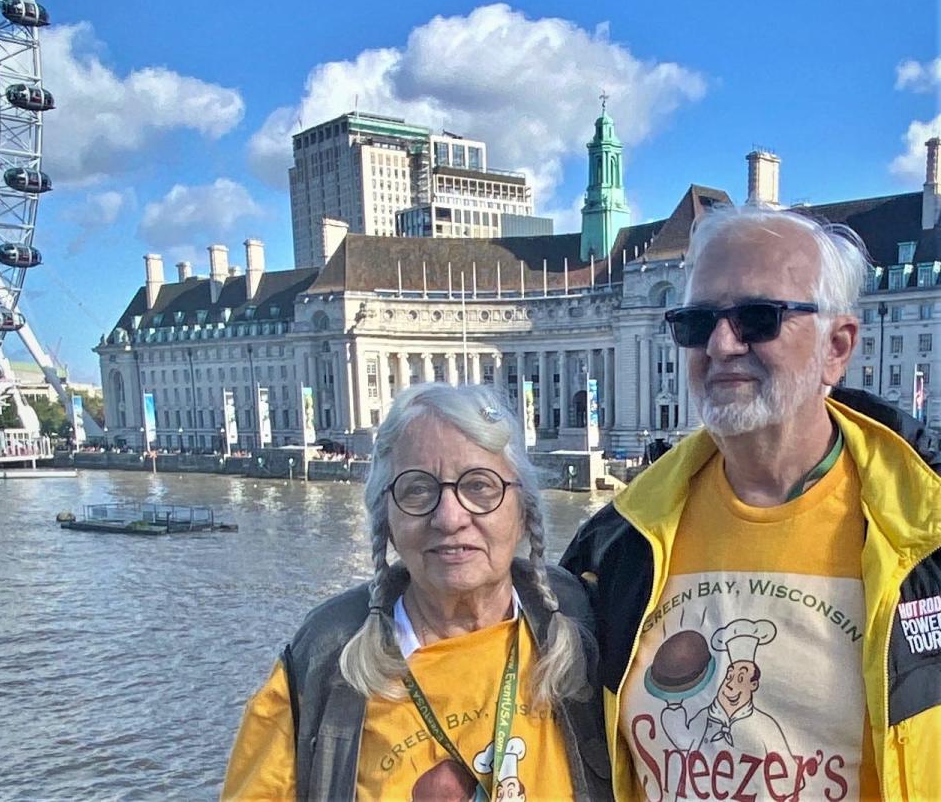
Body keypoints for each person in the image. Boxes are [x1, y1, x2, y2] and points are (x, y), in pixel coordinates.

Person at [561, 205, 941, 801]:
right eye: (696, 321)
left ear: (837, 348)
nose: (720, 343)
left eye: (758, 318)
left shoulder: (930, 529)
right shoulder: (614, 542)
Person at [223, 382, 611, 800]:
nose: (449, 517)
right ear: (386, 522)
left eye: (479, 486)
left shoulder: (593, 625)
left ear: (524, 513)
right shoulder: (320, 661)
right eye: (418, 489)